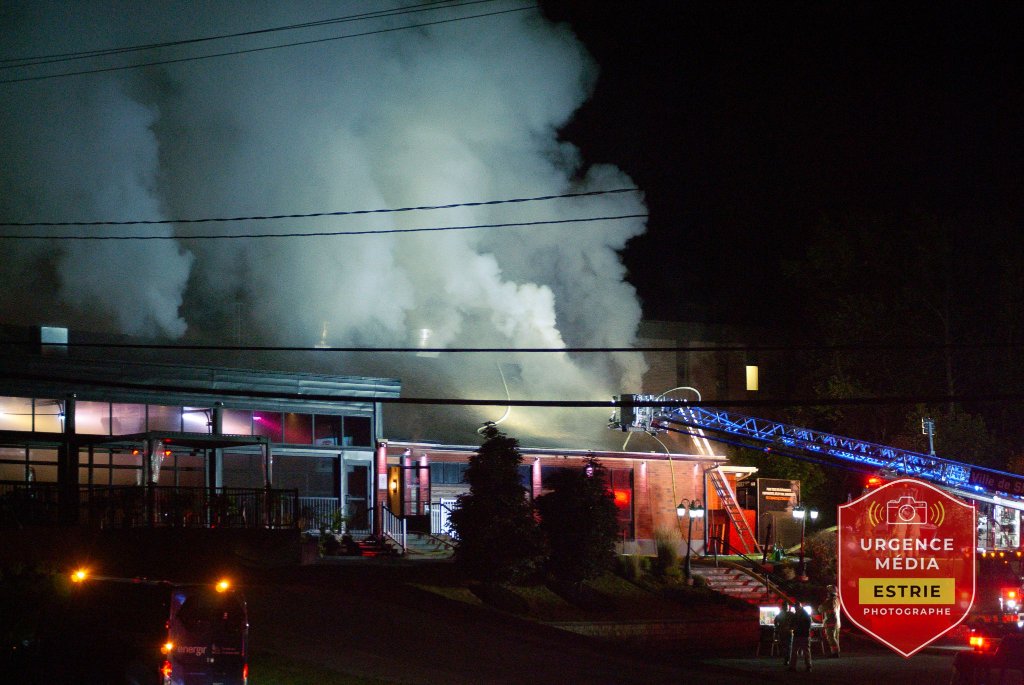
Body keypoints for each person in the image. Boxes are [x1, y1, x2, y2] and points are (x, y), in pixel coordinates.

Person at [818, 585, 841, 658]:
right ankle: (836, 652)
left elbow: (820, 609)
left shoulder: (829, 601)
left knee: (831, 638)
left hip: (830, 622)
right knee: (835, 638)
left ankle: (835, 653)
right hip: (837, 622)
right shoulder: (837, 600)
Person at [789, 604, 813, 672]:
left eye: (796, 607)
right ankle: (808, 667)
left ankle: (793, 667)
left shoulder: (797, 615)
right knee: (806, 652)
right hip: (804, 635)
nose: (796, 609)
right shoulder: (805, 615)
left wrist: (794, 627)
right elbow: (808, 625)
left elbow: (792, 624)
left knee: (794, 651)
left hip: (799, 635)